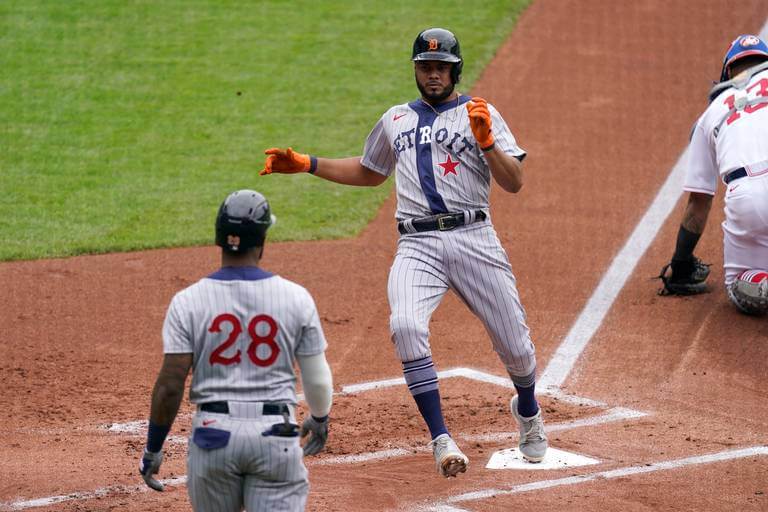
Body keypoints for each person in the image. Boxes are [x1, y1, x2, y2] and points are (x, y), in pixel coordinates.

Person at [259, 27, 547, 477]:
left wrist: (487, 142)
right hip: (417, 244)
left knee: (516, 347)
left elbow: (514, 182)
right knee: (405, 325)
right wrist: (307, 164)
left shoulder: (481, 112)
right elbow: (371, 172)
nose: (433, 75)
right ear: (416, 69)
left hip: (474, 238)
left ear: (455, 71)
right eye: (425, 67)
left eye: (441, 68)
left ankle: (528, 412)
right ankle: (441, 439)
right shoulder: (395, 119)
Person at [139, 189, 334, 511]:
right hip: (276, 438)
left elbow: (170, 386)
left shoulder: (188, 301)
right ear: (262, 239)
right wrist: (320, 417)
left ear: (219, 236)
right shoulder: (295, 297)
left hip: (213, 438)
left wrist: (153, 449)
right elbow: (317, 379)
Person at [659, 34, 768, 315]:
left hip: (747, 197)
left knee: (737, 286)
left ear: (728, 71)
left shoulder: (710, 114)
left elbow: (699, 201)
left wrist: (681, 264)